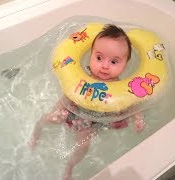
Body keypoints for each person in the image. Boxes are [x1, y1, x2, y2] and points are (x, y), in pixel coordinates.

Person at [28, 24, 146, 180]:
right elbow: (70, 94)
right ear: (90, 55)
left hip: (94, 120)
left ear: (126, 64)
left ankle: (70, 166)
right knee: (49, 118)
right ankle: (36, 133)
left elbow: (132, 103)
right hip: (74, 109)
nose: (104, 66)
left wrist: (138, 117)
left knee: (83, 145)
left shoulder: (121, 87)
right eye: (99, 58)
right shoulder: (85, 76)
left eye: (114, 62)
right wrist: (58, 109)